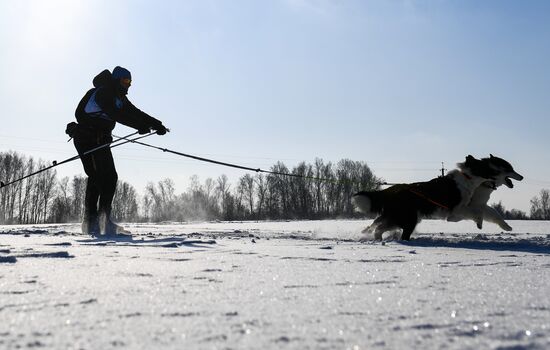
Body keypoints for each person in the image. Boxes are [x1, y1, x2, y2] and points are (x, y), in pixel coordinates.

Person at [72, 66, 167, 235]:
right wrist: (139, 126)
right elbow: (115, 114)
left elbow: (135, 113)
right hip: (87, 138)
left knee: (109, 177)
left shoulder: (119, 97)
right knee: (97, 177)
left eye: (130, 82)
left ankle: (103, 220)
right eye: (125, 81)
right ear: (117, 80)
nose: (128, 85)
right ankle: (92, 222)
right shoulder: (103, 92)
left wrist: (156, 124)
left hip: (100, 140)